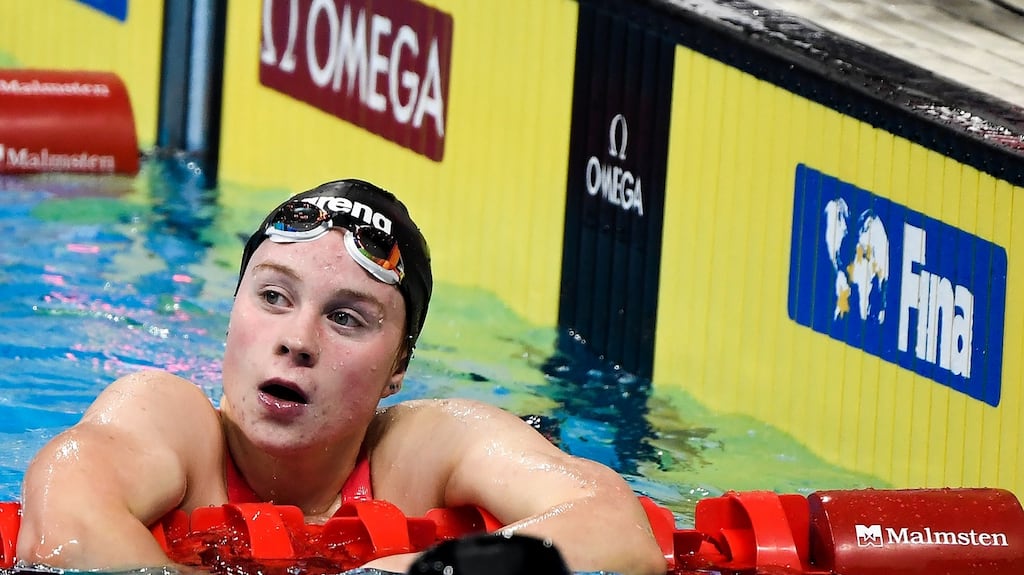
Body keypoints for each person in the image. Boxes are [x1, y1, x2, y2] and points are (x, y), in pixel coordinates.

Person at [16, 179, 667, 575]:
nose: (296, 340)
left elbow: (617, 527)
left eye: (347, 318)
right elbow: (66, 523)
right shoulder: (170, 421)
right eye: (273, 297)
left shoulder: (422, 452)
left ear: (397, 369)